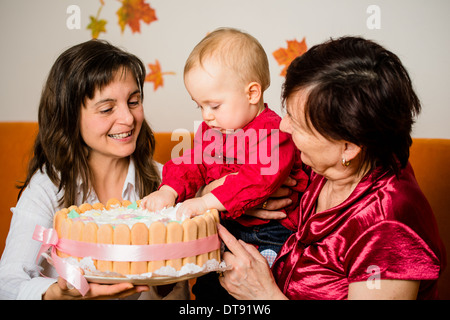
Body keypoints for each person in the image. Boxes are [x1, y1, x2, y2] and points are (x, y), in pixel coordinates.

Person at [218, 36, 446, 300]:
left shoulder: (388, 225)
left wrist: (264, 296)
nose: (283, 127)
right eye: (287, 113)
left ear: (348, 147)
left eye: (298, 123)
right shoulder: (322, 165)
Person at [0, 39, 188, 300]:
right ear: (70, 116)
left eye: (133, 102)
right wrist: (53, 295)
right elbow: (8, 283)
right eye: (107, 108)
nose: (128, 118)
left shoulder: (166, 183)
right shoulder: (48, 187)